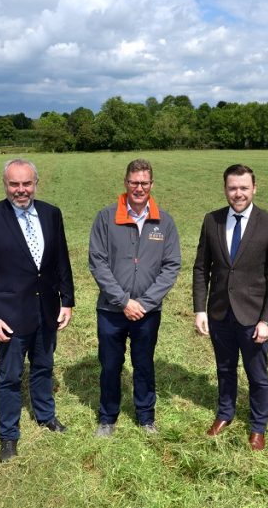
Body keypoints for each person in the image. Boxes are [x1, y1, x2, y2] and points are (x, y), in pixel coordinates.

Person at [0, 158, 75, 463]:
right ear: (5, 185)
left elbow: (61, 261)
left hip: (47, 310)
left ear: (36, 183)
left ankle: (45, 415)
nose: (21, 190)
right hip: (10, 315)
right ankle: (9, 435)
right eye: (14, 184)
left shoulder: (52, 214)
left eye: (26, 183)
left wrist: (66, 300)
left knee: (43, 367)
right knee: (10, 376)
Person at [192, 164, 268, 451]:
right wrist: (200, 309)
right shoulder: (212, 221)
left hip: (253, 317)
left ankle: (258, 427)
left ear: (254, 189)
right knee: (225, 369)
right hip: (219, 312)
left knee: (257, 375)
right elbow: (201, 269)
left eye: (244, 188)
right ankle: (225, 413)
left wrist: (267, 320)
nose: (238, 193)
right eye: (233, 188)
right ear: (225, 189)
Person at [88, 159, 181, 437]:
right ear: (125, 183)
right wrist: (124, 301)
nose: (138, 188)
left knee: (144, 364)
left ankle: (145, 417)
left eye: (144, 182)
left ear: (151, 185)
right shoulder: (105, 218)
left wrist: (146, 303)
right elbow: (98, 262)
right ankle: (107, 418)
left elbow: (171, 265)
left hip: (147, 312)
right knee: (110, 365)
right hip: (111, 310)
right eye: (133, 182)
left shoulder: (164, 222)